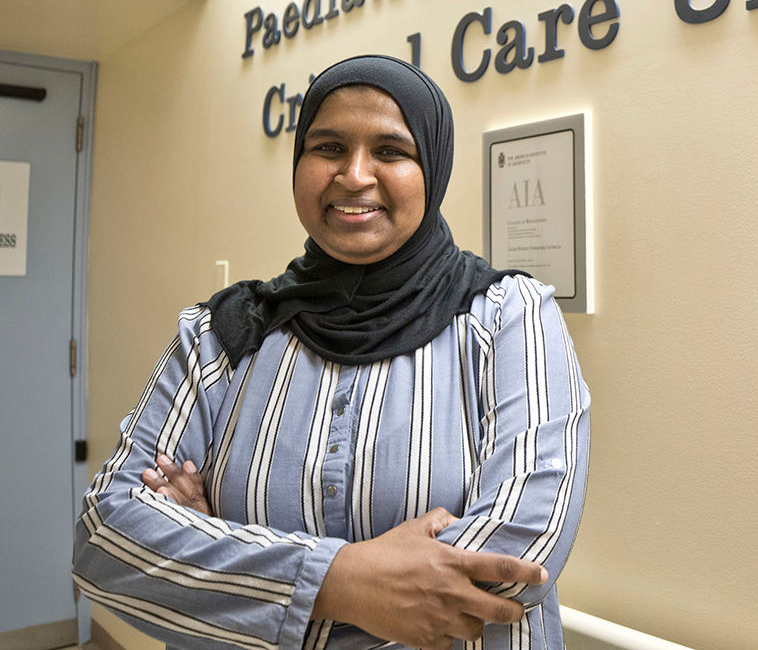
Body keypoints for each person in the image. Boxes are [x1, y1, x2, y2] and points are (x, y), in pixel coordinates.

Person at [72, 55, 591, 650]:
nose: (354, 174)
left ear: (434, 168)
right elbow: (106, 537)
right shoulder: (225, 331)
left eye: (392, 152)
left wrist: (223, 555)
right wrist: (341, 583)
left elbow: (518, 556)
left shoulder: (509, 317)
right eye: (328, 147)